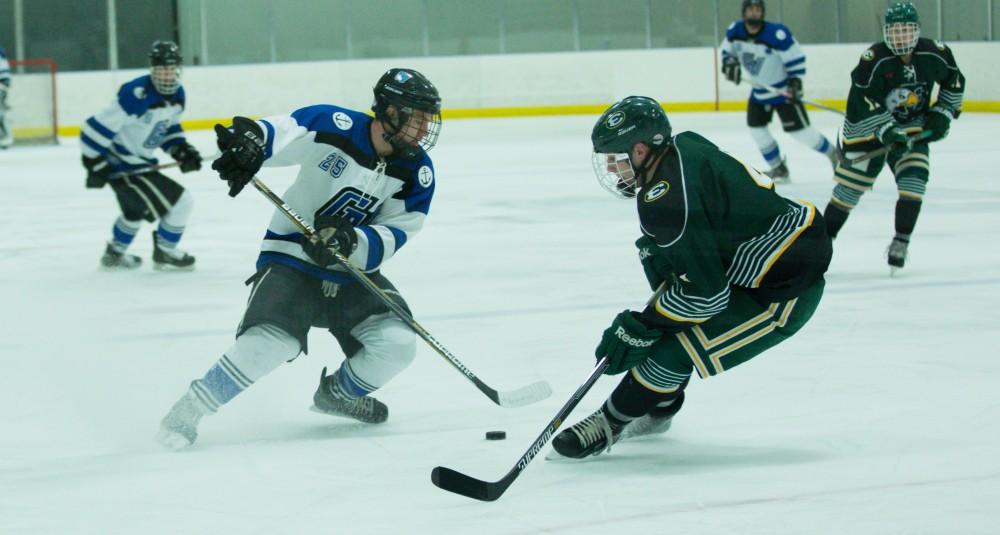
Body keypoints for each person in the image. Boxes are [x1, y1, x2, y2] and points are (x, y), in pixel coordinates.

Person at [155, 68, 443, 450]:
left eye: (428, 120)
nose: (425, 129)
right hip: (291, 257)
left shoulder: (417, 171)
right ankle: (189, 409)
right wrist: (252, 143)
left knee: (398, 343)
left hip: (352, 271)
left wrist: (350, 241)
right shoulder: (333, 125)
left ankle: (338, 395)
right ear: (390, 112)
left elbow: (400, 230)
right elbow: (282, 131)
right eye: (418, 118)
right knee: (271, 343)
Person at [550, 96, 832, 459]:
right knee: (666, 317)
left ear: (639, 150)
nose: (612, 170)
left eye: (615, 159)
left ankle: (609, 422)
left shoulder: (663, 203)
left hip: (783, 294)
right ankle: (659, 409)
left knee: (668, 351)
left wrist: (641, 324)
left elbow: (707, 297)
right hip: (763, 263)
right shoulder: (684, 144)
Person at [822, 2, 964, 273]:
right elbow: (862, 99)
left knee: (914, 184)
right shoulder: (873, 59)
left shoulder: (936, 53)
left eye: (906, 30)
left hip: (912, 128)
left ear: (917, 30)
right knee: (847, 192)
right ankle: (820, 245)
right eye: (895, 30)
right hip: (866, 130)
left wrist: (943, 112)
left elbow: (954, 82)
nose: (901, 36)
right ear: (886, 32)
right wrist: (886, 129)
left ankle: (901, 242)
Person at [80, 40, 201, 270]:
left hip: (139, 163)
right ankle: (165, 250)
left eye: (171, 69)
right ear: (152, 70)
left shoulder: (178, 95)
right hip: (123, 164)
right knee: (181, 202)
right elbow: (94, 128)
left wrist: (181, 150)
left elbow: (167, 130)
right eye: (162, 69)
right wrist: (93, 162)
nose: (167, 75)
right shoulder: (137, 93)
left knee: (133, 212)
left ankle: (114, 255)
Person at [720, 0, 839, 182]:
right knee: (757, 130)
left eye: (757, 9)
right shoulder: (735, 31)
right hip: (759, 93)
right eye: (750, 9)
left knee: (801, 133)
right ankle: (779, 169)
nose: (754, 13)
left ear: (763, 12)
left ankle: (835, 156)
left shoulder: (777, 34)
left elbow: (796, 58)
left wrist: (795, 83)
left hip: (783, 93)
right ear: (744, 12)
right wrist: (729, 65)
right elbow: (727, 53)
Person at [0, 45, 12, 149]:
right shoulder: (4, 61)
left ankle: (6, 137)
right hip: (3, 89)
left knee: (0, 114)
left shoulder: (1, 61)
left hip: (1, 88)